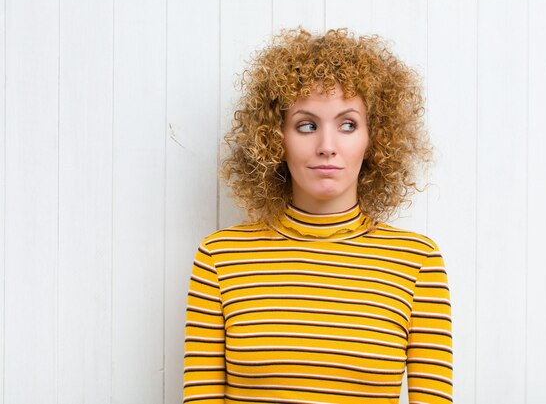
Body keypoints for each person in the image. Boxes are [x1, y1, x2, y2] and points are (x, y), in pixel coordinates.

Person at [183, 28, 452, 404]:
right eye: (307, 125)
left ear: (375, 138)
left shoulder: (417, 262)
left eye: (347, 125)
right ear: (275, 138)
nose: (327, 147)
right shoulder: (220, 258)